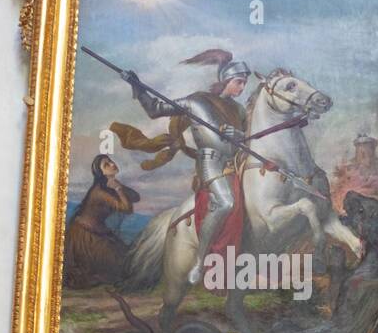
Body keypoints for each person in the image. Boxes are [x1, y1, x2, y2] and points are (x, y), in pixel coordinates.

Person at [119, 48, 249, 285]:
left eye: (244, 83)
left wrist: (239, 134)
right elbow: (155, 110)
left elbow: (251, 138)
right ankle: (201, 262)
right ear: (226, 80)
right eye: (239, 82)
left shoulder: (239, 110)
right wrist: (137, 86)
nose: (242, 88)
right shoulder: (197, 101)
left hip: (235, 165)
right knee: (226, 203)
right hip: (211, 165)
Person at [63, 154, 139, 288]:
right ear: (101, 173)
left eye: (110, 161)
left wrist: (118, 185)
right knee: (119, 266)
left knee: (128, 259)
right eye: (106, 165)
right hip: (86, 237)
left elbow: (135, 197)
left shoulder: (109, 187)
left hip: (101, 233)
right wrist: (118, 189)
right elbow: (126, 208)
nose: (112, 164)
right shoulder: (99, 192)